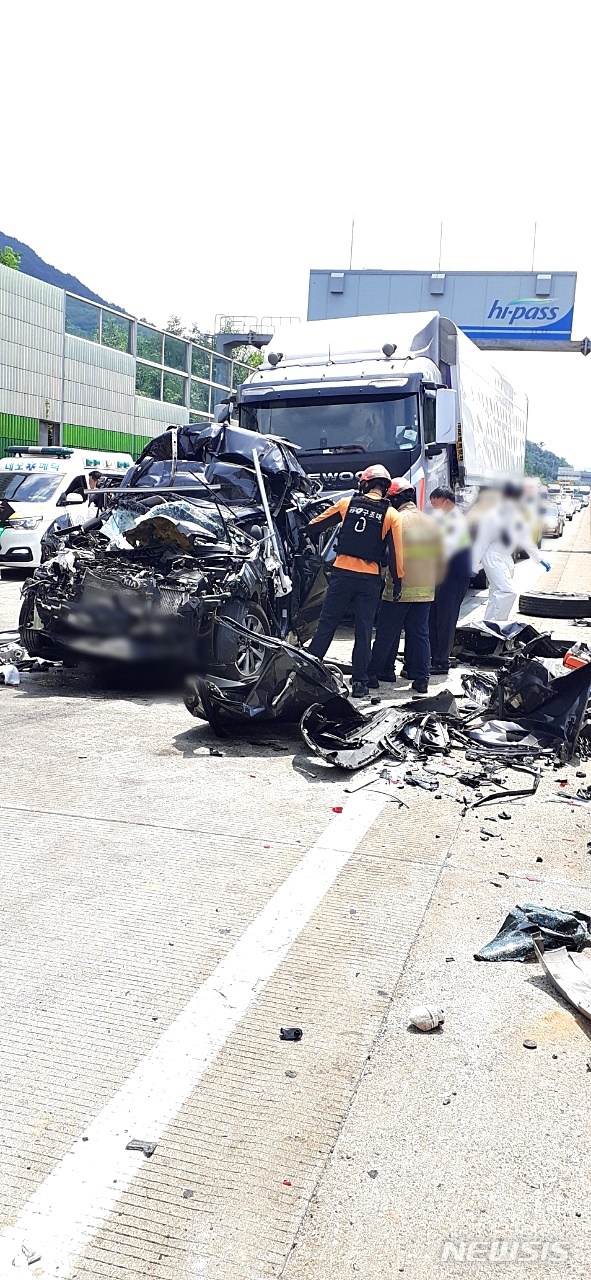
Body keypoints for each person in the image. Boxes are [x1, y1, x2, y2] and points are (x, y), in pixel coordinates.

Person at [306, 465, 404, 698]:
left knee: (327, 625)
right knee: (363, 630)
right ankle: (360, 682)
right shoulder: (391, 515)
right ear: (385, 489)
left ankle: (308, 673)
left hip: (342, 575)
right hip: (369, 581)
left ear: (365, 484)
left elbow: (314, 525)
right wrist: (397, 581)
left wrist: (304, 532)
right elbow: (396, 554)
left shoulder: (346, 504)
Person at [368, 478, 444, 694]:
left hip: (399, 587)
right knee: (420, 633)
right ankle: (422, 679)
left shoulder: (396, 519)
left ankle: (375, 673)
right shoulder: (430, 522)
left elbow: (386, 554)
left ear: (396, 498)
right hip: (426, 588)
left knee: (386, 632)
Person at [471, 481, 551, 622]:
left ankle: (488, 625)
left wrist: (539, 558)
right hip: (492, 555)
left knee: (496, 592)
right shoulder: (492, 516)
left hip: (506, 557)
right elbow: (482, 541)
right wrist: (473, 565)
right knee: (508, 592)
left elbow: (525, 537)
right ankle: (498, 625)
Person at [428, 486, 472, 674]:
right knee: (435, 616)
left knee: (446, 619)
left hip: (454, 577)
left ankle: (442, 662)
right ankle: (434, 657)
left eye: (435, 504)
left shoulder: (457, 521)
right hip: (443, 576)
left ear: (446, 502)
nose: (433, 508)